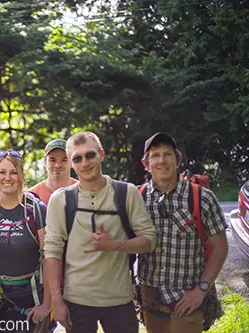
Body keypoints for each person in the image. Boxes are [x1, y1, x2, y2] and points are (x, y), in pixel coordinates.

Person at [43, 131, 156, 333]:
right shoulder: (61, 200)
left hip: (119, 300)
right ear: (71, 163)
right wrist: (57, 302)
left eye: (90, 155)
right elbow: (52, 252)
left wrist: (114, 244)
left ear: (101, 154)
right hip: (76, 302)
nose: (85, 163)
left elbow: (149, 240)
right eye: (77, 158)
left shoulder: (126, 192)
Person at [138, 132, 229, 333]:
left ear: (177, 160)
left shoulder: (202, 198)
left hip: (187, 296)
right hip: (150, 297)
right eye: (155, 155)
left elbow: (220, 247)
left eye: (167, 154)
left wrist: (201, 290)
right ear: (146, 163)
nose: (162, 160)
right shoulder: (137, 198)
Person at [0, 150, 50, 333]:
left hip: (27, 295)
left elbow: (49, 259)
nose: (8, 178)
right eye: (2, 172)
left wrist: (47, 303)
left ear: (21, 175)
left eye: (13, 172)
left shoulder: (36, 211)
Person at [29, 139, 77, 205]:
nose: (57, 165)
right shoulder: (32, 196)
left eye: (64, 160)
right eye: (52, 160)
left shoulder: (83, 192)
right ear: (45, 162)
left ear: (72, 162)